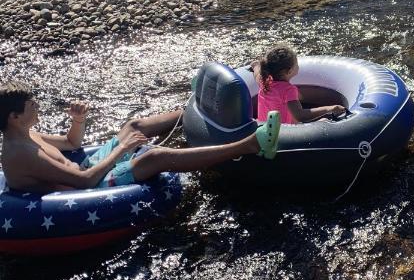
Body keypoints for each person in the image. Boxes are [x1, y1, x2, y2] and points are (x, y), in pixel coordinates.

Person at [0, 80, 281, 194]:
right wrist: (122, 148)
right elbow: (84, 181)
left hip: (87, 170)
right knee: (156, 157)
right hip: (86, 188)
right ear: (14, 116)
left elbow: (73, 144)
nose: (38, 107)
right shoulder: (19, 152)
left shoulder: (28, 133)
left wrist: (78, 120)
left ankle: (193, 111)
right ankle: (250, 144)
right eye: (31, 106)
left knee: (134, 124)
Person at [253, 45, 345, 125]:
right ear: (289, 71)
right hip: (283, 134)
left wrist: (255, 66)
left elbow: (257, 74)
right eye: (296, 64)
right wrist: (330, 108)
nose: (298, 66)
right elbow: (300, 115)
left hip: (264, 130)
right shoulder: (288, 90)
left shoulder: (264, 81)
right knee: (325, 121)